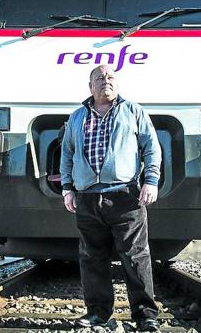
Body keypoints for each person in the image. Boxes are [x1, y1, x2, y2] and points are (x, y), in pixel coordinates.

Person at [60, 64, 161, 332]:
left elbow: (151, 146)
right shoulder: (77, 117)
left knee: (136, 257)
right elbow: (67, 153)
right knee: (92, 259)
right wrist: (67, 187)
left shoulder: (133, 111)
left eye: (110, 76)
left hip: (125, 196)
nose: (106, 80)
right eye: (99, 78)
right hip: (88, 198)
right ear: (90, 86)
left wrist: (150, 180)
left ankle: (145, 316)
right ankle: (97, 314)